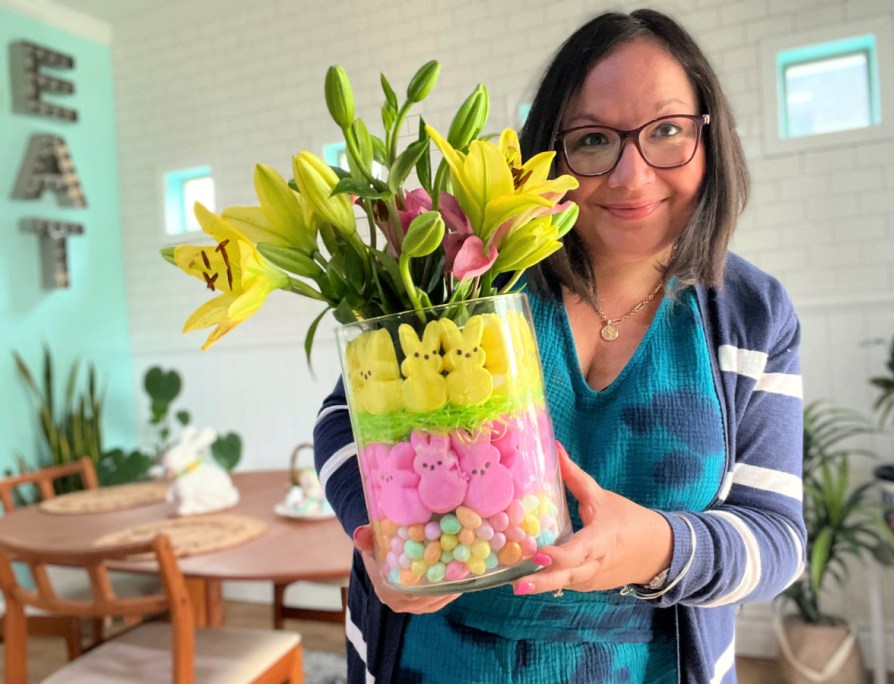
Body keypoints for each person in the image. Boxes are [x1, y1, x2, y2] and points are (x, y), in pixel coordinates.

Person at [314, 8, 805, 684]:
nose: (632, 177)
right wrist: (379, 536)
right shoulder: (469, 275)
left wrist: (656, 547)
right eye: (595, 140)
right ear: (549, 150)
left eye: (667, 131)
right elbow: (345, 418)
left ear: (709, 137)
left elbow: (778, 538)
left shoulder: (752, 314)